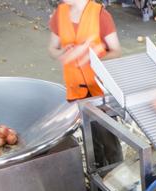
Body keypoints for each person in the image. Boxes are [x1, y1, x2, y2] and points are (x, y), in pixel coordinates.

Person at [48, 0, 123, 167]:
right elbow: (52, 48)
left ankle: (118, 176)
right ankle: (97, 175)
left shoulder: (100, 15)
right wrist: (62, 54)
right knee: (91, 140)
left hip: (100, 92)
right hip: (76, 92)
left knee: (109, 139)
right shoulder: (60, 14)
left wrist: (94, 58)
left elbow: (116, 50)